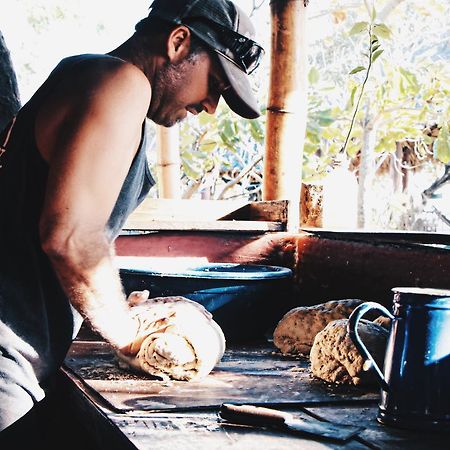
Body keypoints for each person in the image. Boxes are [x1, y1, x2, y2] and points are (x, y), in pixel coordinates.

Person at [0, 0, 264, 444]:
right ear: (179, 42)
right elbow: (69, 238)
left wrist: (104, 308)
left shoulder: (87, 79)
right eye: (215, 83)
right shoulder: (120, 82)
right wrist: (125, 331)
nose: (212, 106)